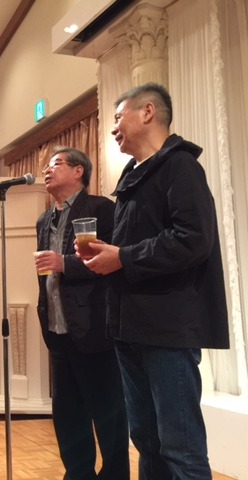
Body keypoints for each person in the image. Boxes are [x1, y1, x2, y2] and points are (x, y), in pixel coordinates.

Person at [82, 83, 230, 480]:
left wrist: (123, 257)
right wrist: (107, 254)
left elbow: (193, 239)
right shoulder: (132, 177)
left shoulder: (180, 166)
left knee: (180, 449)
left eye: (118, 117)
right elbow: (136, 245)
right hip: (129, 326)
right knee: (147, 440)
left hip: (167, 330)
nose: (113, 128)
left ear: (147, 112)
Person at [35, 147, 129, 479]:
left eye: (56, 164)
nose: (47, 170)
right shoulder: (44, 219)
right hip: (58, 331)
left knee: (109, 415)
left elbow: (112, 263)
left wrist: (65, 264)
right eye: (46, 166)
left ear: (78, 171)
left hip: (95, 329)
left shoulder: (102, 209)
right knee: (67, 415)